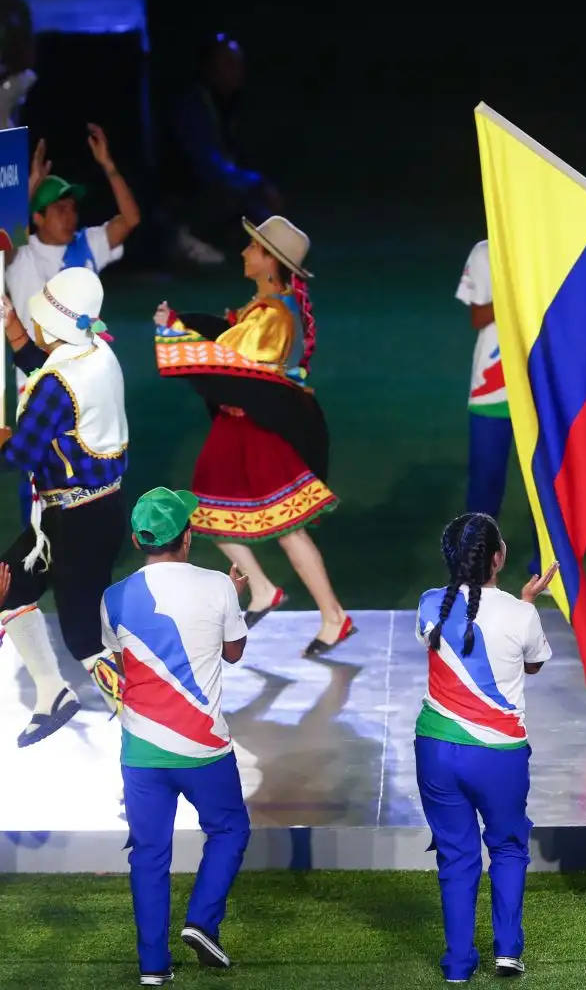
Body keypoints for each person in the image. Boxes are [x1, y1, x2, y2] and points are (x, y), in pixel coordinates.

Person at [152, 216, 352, 656]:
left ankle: (324, 612)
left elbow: (229, 363)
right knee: (212, 512)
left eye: (252, 248)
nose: (244, 253)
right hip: (239, 428)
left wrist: (174, 333)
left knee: (281, 527)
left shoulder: (272, 315)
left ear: (269, 263)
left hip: (252, 431)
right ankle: (269, 591)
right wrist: (181, 324)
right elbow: (226, 343)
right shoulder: (265, 308)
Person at [100, 487, 252, 986]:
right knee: (229, 830)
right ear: (187, 536)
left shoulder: (115, 597)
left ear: (138, 538)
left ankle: (152, 967)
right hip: (203, 748)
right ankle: (202, 920)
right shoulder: (217, 586)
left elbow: (122, 662)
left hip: (141, 750)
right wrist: (235, 599)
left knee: (148, 854)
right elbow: (232, 653)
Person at [413, 512, 556, 983]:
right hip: (498, 756)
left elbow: (462, 623)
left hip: (436, 752)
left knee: (456, 855)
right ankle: (508, 951)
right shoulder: (522, 614)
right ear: (497, 558)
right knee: (509, 847)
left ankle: (457, 964)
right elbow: (532, 665)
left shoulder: (430, 605)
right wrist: (527, 602)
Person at [0, 266, 129, 746]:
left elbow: (20, 454)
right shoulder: (97, 352)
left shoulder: (59, 386)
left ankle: (148, 725)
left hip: (78, 522)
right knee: (9, 585)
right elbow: (45, 363)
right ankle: (52, 694)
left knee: (84, 637)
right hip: (77, 515)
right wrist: (12, 325)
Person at [4, 125, 140, 523]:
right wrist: (27, 186)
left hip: (83, 374)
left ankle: (82, 531)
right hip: (35, 371)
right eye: (59, 208)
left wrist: (108, 165)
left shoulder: (88, 242)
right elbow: (3, 240)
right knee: (36, 467)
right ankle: (44, 539)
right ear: (38, 216)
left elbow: (130, 219)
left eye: (72, 207)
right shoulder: (22, 256)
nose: (69, 215)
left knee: (87, 458)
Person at [454, 238, 537, 573]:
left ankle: (545, 563)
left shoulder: (545, 246)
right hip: (492, 393)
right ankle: (477, 559)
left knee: (542, 484)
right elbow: (478, 315)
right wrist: (515, 296)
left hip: (538, 387)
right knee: (485, 482)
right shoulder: (485, 251)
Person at [163, 34, 281, 266]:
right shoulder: (192, 105)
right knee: (240, 197)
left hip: (221, 191)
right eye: (228, 63)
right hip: (185, 197)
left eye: (238, 64)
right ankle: (183, 237)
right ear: (209, 67)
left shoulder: (231, 105)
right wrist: (256, 182)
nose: (237, 70)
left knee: (267, 226)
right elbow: (207, 165)